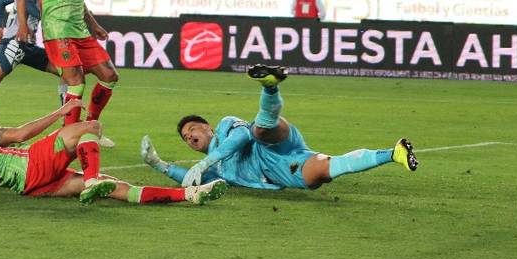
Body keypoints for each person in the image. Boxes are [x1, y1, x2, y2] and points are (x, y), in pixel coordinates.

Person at [0, 81, 227, 205]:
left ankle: (190, 195)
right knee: (90, 126)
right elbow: (19, 135)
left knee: (112, 185)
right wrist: (60, 112)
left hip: (29, 187)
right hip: (31, 166)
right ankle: (91, 180)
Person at [141, 65, 417, 191]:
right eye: (186, 138)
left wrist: (209, 159)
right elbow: (191, 179)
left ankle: (270, 86)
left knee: (259, 130)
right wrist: (158, 164)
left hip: (272, 143)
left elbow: (242, 137)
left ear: (207, 127)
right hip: (280, 171)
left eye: (192, 129)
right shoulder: (213, 172)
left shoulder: (226, 126)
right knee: (322, 171)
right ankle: (394, 153)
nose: (190, 137)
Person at [17, 0, 119, 129]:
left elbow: (78, 1)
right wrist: (22, 25)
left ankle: (90, 123)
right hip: (58, 31)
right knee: (76, 81)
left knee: (109, 75)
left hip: (81, 32)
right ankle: (70, 133)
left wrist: (94, 25)